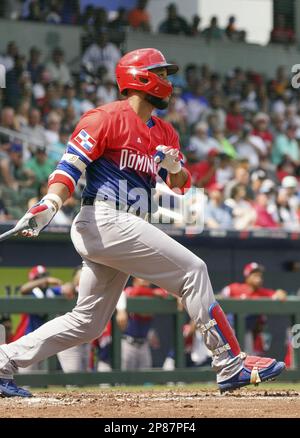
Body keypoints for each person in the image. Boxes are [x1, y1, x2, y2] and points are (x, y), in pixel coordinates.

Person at [0, 48, 285, 397]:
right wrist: (52, 201)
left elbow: (181, 187)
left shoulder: (165, 132)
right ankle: (230, 363)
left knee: (87, 323)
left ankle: (3, 362)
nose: (168, 82)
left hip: (123, 226)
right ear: (140, 77)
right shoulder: (103, 117)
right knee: (194, 271)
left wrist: (176, 168)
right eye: (161, 74)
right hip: (104, 217)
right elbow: (70, 166)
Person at [221, 263, 287, 355]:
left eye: (260, 276)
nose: (259, 278)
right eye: (255, 275)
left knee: (247, 359)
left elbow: (280, 294)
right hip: (229, 331)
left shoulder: (263, 292)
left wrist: (281, 292)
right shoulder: (234, 288)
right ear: (247, 276)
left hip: (249, 333)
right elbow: (218, 302)